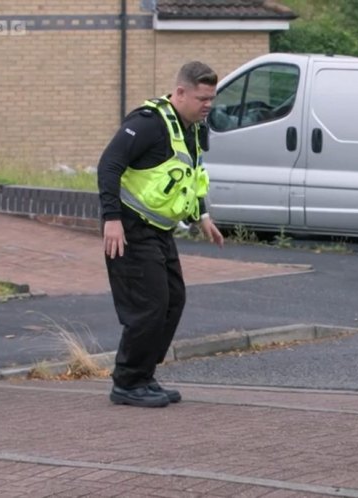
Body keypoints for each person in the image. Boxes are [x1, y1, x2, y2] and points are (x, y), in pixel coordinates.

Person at [97, 61, 225, 408]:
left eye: (211, 98)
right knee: (149, 305)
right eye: (202, 98)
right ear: (180, 92)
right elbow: (109, 165)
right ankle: (127, 381)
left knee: (173, 300)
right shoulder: (148, 123)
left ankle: (142, 376)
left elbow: (191, 175)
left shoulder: (193, 128)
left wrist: (203, 215)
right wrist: (111, 218)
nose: (207, 106)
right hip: (129, 227)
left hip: (160, 231)